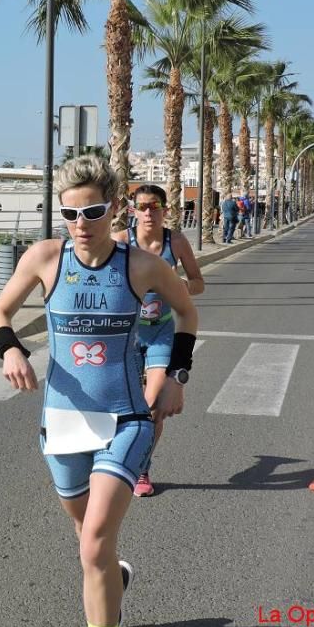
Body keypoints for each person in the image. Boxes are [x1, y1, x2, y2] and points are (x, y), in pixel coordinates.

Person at [0, 156, 198, 627]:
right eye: (70, 214)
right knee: (91, 544)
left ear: (116, 209)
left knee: (94, 542)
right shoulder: (44, 259)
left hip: (126, 418)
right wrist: (11, 349)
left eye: (93, 212)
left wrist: (176, 377)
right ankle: (113, 578)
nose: (81, 225)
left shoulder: (142, 266)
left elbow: (186, 314)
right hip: (62, 424)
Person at [113, 184, 204, 497]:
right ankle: (115, 459)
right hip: (127, 334)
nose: (148, 212)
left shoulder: (175, 241)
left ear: (165, 209)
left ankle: (142, 467)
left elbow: (198, 283)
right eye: (142, 206)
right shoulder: (122, 241)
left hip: (161, 333)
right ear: (133, 211)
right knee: (123, 405)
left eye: (154, 206)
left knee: (153, 407)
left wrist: (177, 286)